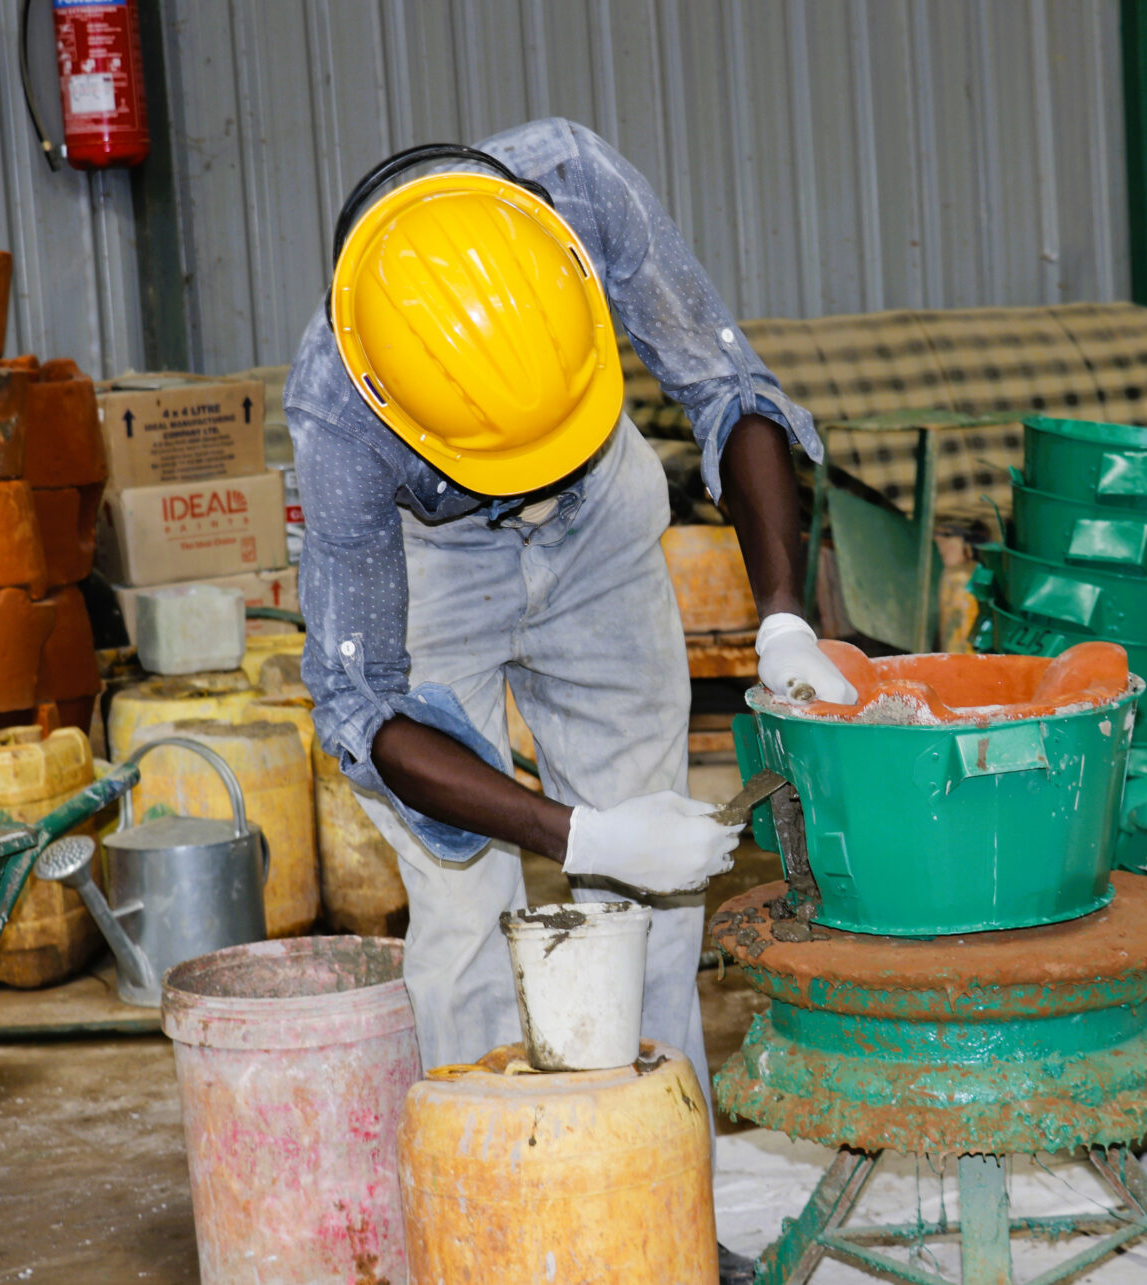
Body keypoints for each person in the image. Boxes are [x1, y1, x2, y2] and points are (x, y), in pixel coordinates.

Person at [285, 119, 855, 1280]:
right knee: (463, 921)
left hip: (601, 516)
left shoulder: (575, 194)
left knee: (656, 899)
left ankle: (659, 1230)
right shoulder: (339, 409)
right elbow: (360, 709)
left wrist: (783, 616)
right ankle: (496, 1240)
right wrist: (580, 833)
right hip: (432, 562)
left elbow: (725, 386)